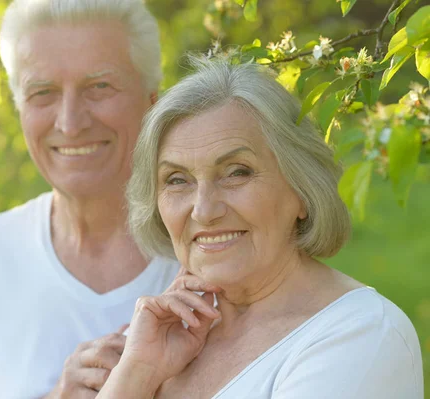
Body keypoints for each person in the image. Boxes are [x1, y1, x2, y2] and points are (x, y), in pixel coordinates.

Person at [96, 59, 424, 398]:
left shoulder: (361, 335)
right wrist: (136, 373)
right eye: (177, 180)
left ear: (301, 189)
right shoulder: (157, 341)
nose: (204, 210)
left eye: (237, 172)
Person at [0, 1, 179, 398]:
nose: (71, 122)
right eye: (43, 93)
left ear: (151, 100)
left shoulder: (208, 248)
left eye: (100, 87)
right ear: (19, 107)